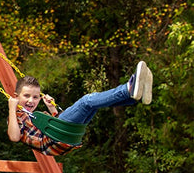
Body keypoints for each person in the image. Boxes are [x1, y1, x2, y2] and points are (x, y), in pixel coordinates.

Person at [8, 62, 153, 157]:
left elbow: (56, 126)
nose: (30, 100)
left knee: (94, 103)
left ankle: (134, 98)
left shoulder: (38, 117)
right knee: (87, 101)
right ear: (16, 96)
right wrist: (11, 108)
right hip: (56, 140)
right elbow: (14, 137)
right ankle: (128, 89)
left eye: (35, 97)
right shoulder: (17, 116)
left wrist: (52, 108)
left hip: (64, 138)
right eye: (26, 96)